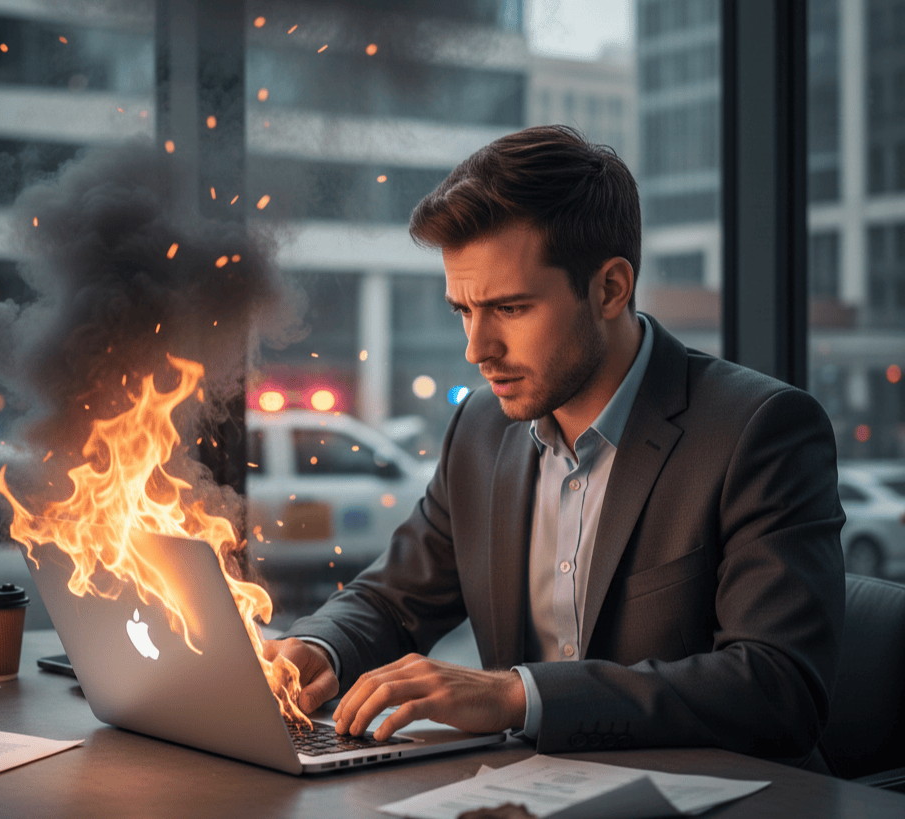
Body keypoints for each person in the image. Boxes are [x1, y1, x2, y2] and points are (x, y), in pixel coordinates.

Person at [264, 125, 845, 769]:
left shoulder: (760, 430)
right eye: (464, 310)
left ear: (610, 289)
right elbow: (391, 601)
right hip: (522, 797)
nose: (476, 350)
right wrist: (317, 650)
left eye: (510, 309)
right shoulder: (481, 430)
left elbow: (778, 689)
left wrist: (520, 695)